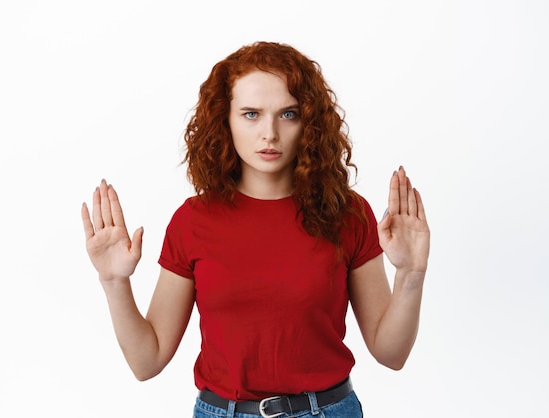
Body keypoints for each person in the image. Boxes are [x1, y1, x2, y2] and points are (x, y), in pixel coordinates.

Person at [81, 41, 430, 418]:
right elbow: (146, 362)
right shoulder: (193, 221)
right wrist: (114, 282)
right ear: (224, 119)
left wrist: (410, 274)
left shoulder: (346, 214)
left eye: (288, 114)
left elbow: (391, 354)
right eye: (251, 114)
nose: (270, 133)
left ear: (309, 122)